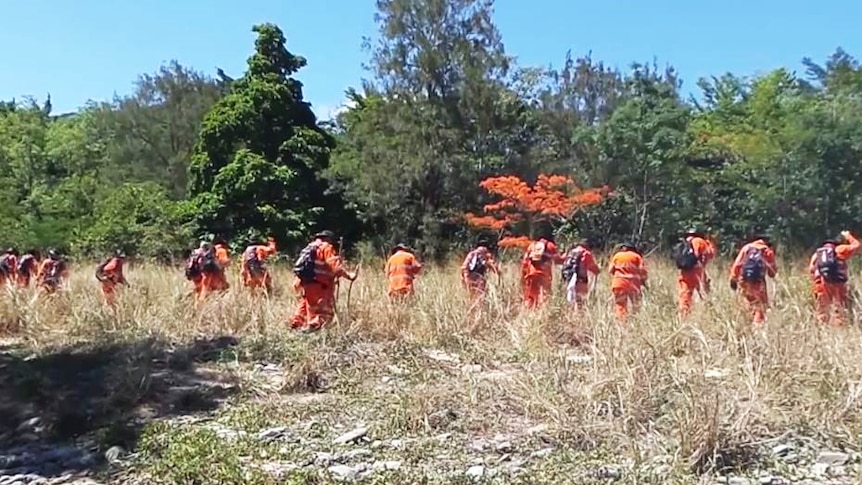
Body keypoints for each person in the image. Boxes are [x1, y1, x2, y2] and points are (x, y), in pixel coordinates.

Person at [291, 230, 357, 330]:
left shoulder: (310, 247)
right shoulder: (326, 247)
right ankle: (313, 330)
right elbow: (335, 267)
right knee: (322, 312)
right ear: (328, 239)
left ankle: (297, 324)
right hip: (320, 285)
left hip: (306, 283)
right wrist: (349, 276)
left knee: (305, 305)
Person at [809, 230, 860, 326]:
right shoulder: (839, 249)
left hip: (820, 285)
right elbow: (856, 245)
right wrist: (848, 236)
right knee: (839, 310)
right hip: (837, 284)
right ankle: (839, 332)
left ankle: (822, 332)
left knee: (822, 311)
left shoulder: (816, 255)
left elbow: (811, 270)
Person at [729, 235, 777, 325]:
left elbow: (737, 265)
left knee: (747, 302)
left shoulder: (746, 248)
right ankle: (757, 328)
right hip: (758, 282)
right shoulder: (767, 251)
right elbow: (772, 273)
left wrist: (733, 278)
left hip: (744, 280)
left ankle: (746, 324)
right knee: (760, 306)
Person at [673, 228, 717, 317]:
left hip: (685, 272)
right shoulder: (700, 241)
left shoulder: (684, 242)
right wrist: (710, 242)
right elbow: (710, 254)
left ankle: (683, 316)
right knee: (702, 295)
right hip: (697, 271)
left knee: (685, 294)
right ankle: (704, 316)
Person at [608, 242, 647, 321]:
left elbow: (610, 270)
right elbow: (643, 271)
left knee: (620, 305)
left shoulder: (617, 256)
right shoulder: (637, 257)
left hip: (619, 283)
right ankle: (635, 321)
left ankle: (621, 323)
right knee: (636, 304)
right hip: (633, 285)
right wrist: (643, 281)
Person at [521, 235, 563, 308]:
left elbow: (525, 263)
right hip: (544, 276)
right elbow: (558, 260)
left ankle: (528, 314)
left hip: (531, 274)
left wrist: (523, 277)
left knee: (530, 297)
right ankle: (541, 315)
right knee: (543, 297)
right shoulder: (550, 246)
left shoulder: (532, 246)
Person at [562, 240, 600, 310]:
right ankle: (578, 318)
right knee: (580, 302)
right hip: (580, 280)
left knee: (571, 302)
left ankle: (570, 317)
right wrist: (597, 270)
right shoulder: (585, 253)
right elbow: (593, 268)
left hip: (569, 279)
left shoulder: (571, 252)